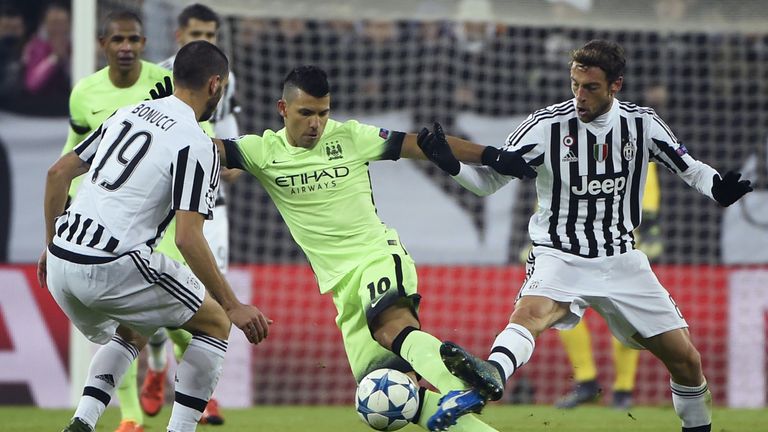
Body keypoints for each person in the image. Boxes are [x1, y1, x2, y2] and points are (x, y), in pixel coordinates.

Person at [418, 40, 752, 432]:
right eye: (574, 84)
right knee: (530, 314)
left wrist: (717, 189)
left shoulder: (642, 124)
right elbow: (488, 184)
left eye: (590, 87)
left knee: (687, 361)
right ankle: (487, 377)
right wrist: (450, 164)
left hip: (622, 257)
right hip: (560, 254)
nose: (579, 95)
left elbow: (690, 167)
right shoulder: (546, 127)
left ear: (616, 86)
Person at [211, 65, 535, 432]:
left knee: (389, 327)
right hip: (342, 289)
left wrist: (492, 155)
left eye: (323, 113)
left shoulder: (350, 137)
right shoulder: (261, 151)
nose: (316, 123)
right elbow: (207, 150)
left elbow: (423, 144)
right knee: (393, 397)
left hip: (377, 257)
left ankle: (461, 386)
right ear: (283, 109)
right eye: (306, 113)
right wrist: (165, 122)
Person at [39, 40, 270, 432]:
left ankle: (83, 422)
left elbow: (57, 174)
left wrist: (50, 244)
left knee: (137, 326)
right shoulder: (196, 143)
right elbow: (188, 238)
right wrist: (233, 305)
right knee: (214, 322)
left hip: (62, 261)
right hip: (110, 263)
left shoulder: (126, 113)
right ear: (216, 85)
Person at [126, 4, 241, 426]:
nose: (206, 39)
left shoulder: (229, 80)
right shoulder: (159, 78)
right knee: (154, 294)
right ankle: (157, 364)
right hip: (164, 204)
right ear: (179, 35)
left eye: (212, 32)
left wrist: (230, 163)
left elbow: (229, 137)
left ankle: (200, 393)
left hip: (211, 203)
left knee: (208, 299)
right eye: (198, 32)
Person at [58, 11, 172, 432]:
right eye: (118, 39)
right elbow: (71, 153)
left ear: (144, 44)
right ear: (102, 43)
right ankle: (131, 417)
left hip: (162, 216)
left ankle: (158, 361)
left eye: (134, 39)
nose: (126, 47)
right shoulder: (84, 93)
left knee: (159, 321)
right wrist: (66, 213)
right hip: (105, 221)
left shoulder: (163, 85)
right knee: (113, 316)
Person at [555, 160, 663, 411]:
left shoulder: (628, 129)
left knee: (627, 313)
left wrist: (648, 222)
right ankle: (586, 381)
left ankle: (623, 389)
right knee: (563, 308)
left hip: (621, 236)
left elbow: (645, 165)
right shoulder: (562, 135)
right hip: (572, 236)